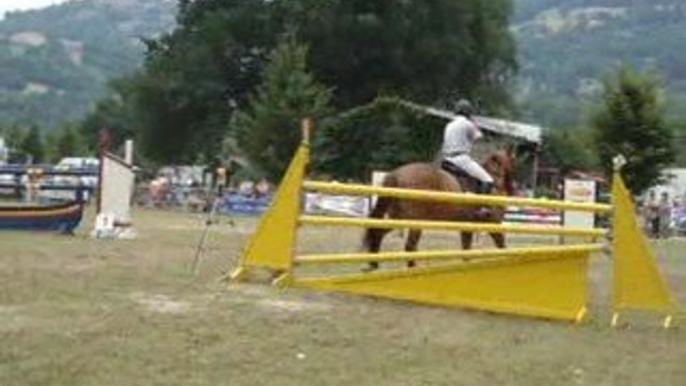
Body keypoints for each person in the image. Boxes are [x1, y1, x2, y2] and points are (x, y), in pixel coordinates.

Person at [441, 99, 494, 194]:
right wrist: (476, 125)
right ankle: (481, 207)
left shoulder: (449, 124)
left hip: (446, 160)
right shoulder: (468, 124)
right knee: (488, 180)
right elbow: (479, 138)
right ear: (468, 112)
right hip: (461, 159)